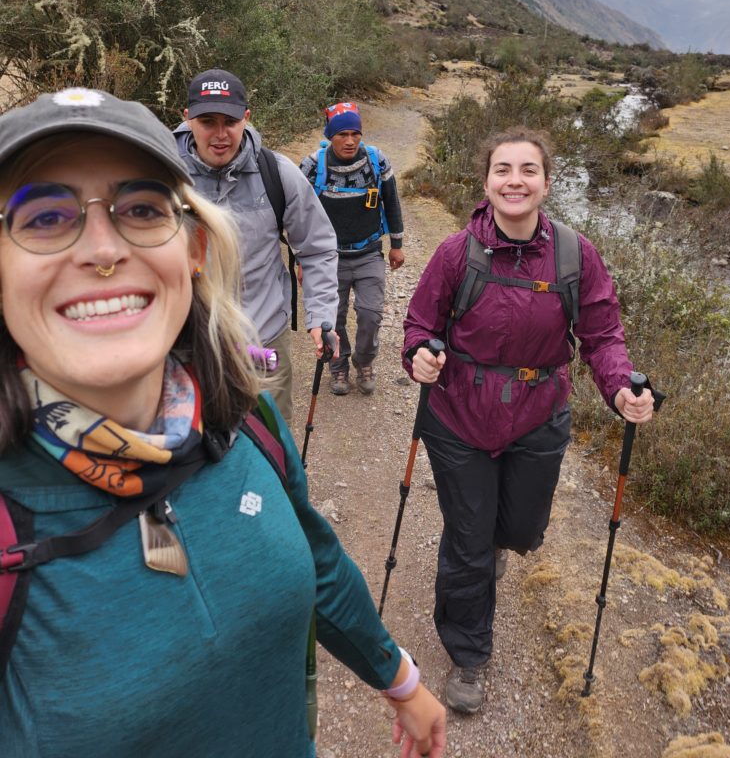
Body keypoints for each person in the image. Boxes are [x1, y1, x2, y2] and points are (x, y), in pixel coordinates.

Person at [0, 87, 446, 758]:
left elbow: (317, 557)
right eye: (42, 217)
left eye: (143, 209)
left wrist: (400, 677)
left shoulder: (245, 415)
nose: (101, 249)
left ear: (196, 248)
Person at [402, 126, 655, 715]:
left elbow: (602, 334)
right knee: (468, 540)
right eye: (503, 170)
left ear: (545, 181)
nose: (515, 181)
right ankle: (469, 655)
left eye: (528, 170)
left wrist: (621, 388)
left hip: (538, 418)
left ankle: (491, 544)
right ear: (486, 181)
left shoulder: (575, 254)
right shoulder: (455, 252)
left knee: (519, 533)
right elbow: (419, 324)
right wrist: (420, 353)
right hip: (458, 416)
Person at [174, 69, 339, 425]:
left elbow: (317, 246)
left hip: (263, 339)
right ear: (187, 120)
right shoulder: (164, 178)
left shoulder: (277, 174)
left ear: (246, 119)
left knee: (272, 441)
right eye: (207, 121)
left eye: (230, 121)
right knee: (190, 447)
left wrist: (320, 315)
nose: (220, 134)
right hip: (185, 344)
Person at [300, 102, 404, 397]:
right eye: (342, 134)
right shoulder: (311, 166)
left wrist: (396, 245)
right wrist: (302, 260)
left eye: (355, 133)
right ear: (330, 135)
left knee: (370, 314)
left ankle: (364, 361)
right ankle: (338, 366)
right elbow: (300, 216)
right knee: (333, 318)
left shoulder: (376, 161)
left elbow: (392, 202)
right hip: (327, 258)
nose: (349, 141)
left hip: (369, 251)